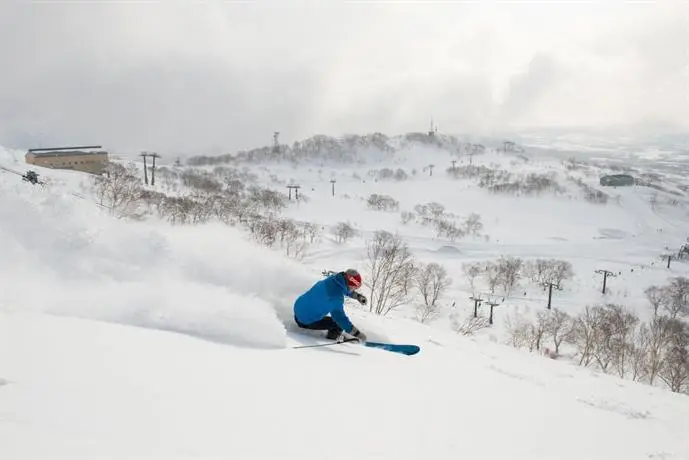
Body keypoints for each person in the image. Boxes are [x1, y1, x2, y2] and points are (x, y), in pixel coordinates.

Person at [294, 269, 368, 342]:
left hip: (297, 310)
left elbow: (342, 288)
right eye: (354, 288)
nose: (354, 290)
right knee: (338, 325)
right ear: (350, 285)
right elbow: (340, 319)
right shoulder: (336, 298)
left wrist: (357, 296)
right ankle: (332, 340)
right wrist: (358, 334)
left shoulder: (333, 279)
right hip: (304, 321)